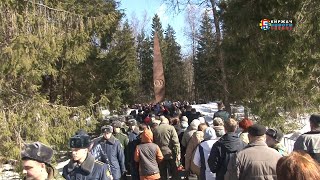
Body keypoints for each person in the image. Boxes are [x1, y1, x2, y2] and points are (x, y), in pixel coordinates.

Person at [153, 116, 180, 180]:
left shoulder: (155, 129)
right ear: (167, 122)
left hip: (159, 152)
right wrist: (178, 153)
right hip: (170, 152)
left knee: (162, 170)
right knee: (173, 169)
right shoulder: (171, 128)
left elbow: (153, 141)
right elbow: (175, 141)